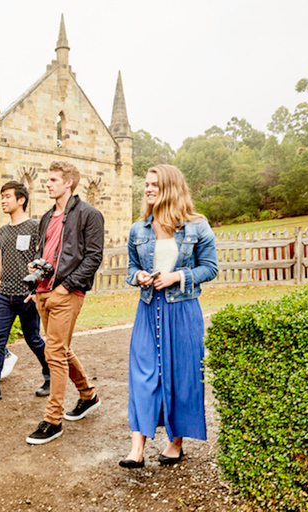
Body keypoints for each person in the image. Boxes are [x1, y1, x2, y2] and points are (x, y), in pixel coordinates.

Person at [119, 164, 218, 468]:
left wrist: (177, 276)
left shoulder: (197, 227)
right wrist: (139, 277)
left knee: (182, 375)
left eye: (155, 185)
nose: (148, 189)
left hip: (183, 310)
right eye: (147, 185)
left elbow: (210, 268)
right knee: (143, 375)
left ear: (171, 188)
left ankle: (175, 443)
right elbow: (131, 269)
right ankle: (137, 448)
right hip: (148, 310)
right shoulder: (139, 229)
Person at [25, 161, 104, 445]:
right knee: (60, 349)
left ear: (68, 183)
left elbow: (93, 257)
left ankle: (52, 420)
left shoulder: (88, 214)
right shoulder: (46, 217)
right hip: (43, 293)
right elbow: (43, 253)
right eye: (47, 179)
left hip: (67, 294)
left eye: (53, 180)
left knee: (54, 354)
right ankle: (88, 395)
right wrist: (36, 285)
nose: (47, 184)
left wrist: (64, 288)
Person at [0, 181, 51, 405]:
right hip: (4, 294)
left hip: (27, 295)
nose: (3, 200)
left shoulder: (35, 227)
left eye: (7, 196)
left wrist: (37, 290)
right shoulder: (2, 232)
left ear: (21, 200)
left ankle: (49, 375)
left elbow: (43, 260)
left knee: (33, 339)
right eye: (2, 196)